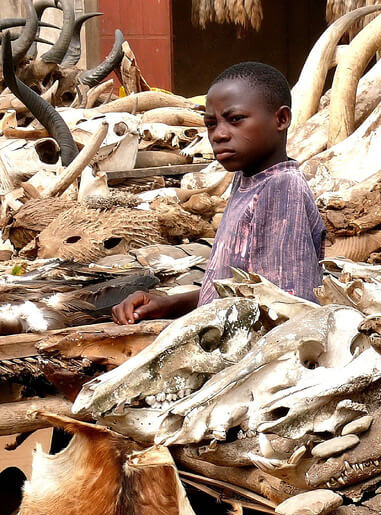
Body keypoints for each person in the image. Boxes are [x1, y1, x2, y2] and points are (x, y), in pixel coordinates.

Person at [112, 62, 325, 324]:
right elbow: (238, 290)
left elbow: (282, 310)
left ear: (281, 119)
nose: (219, 135)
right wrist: (166, 303)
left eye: (235, 120)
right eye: (211, 124)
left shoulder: (281, 188)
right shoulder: (248, 179)